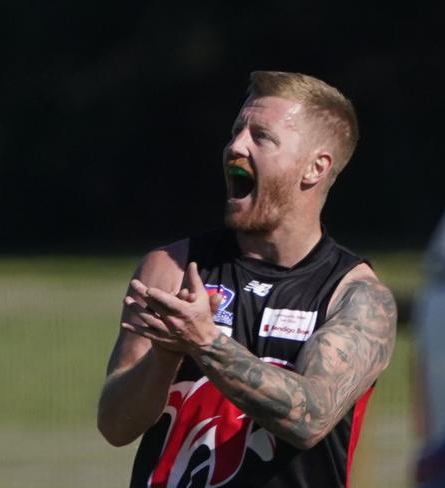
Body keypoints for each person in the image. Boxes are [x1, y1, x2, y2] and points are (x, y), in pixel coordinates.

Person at [97, 71, 397, 487]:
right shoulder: (170, 267)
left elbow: (310, 418)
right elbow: (115, 427)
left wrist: (203, 341)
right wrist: (164, 357)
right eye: (237, 131)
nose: (235, 146)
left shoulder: (356, 296)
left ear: (315, 167)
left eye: (261, 136)